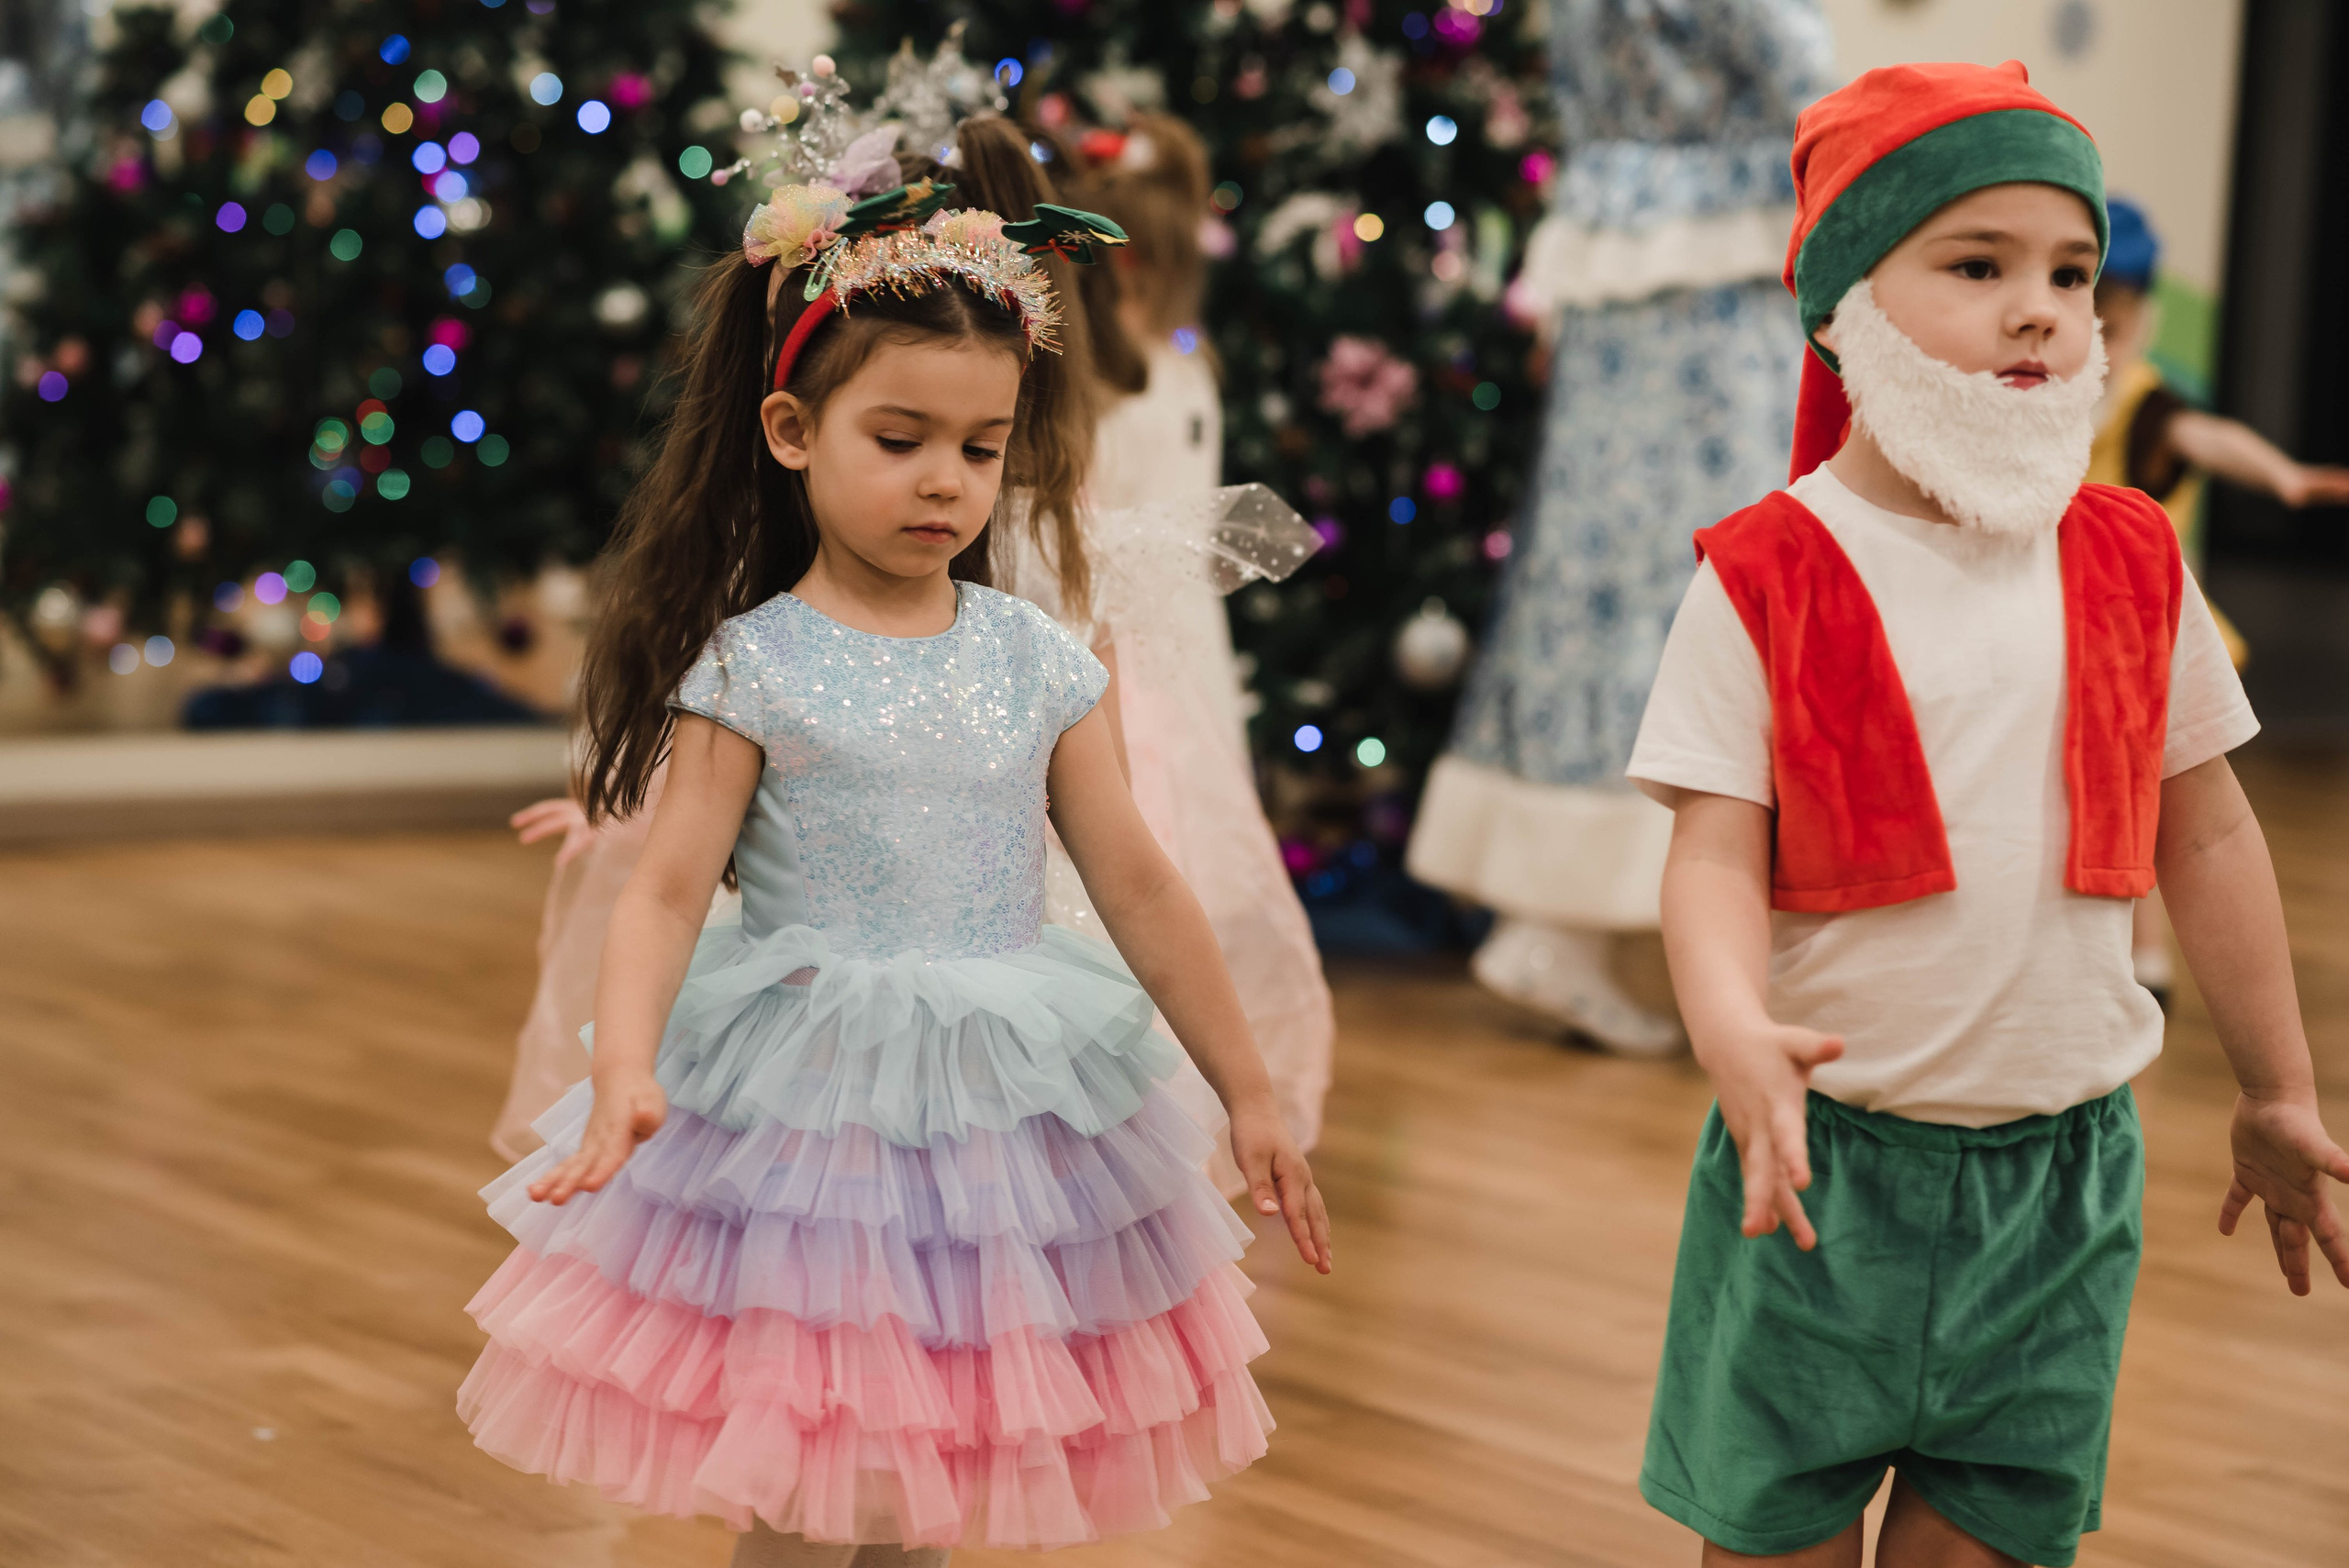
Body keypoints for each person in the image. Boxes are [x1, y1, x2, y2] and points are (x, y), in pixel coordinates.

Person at [456, 186, 1332, 1563]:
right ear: (792, 431)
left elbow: (1142, 887)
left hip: (998, 1121)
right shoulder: (754, 664)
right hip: (811, 1121)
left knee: (934, 1470)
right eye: (900, 438)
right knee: (810, 1480)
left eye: (981, 449)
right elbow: (666, 893)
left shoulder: (1039, 658)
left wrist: (1251, 1088)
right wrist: (625, 1066)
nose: (945, 482)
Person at [1625, 61, 2349, 1567]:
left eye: (2071, 275)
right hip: (1819, 1177)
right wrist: (1732, 1029)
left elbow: (2209, 831)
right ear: (1846, 306)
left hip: (2063, 1187)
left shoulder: (2133, 557)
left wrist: (2278, 1086)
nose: (2041, 311)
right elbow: (1712, 853)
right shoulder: (1764, 571)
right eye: (1979, 266)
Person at [1406, 0, 1833, 1057]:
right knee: (1730, 569)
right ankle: (1711, 941)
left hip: (1614, 249)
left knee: (1599, 573)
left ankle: (1560, 922)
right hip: (1721, 276)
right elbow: (1801, 80)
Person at [2088, 197, 2349, 1003]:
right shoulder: (2042, 393)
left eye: (2113, 326)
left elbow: (2208, 438)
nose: (2097, 343)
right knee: (2106, 797)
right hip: (2068, 630)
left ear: (2141, 321)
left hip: (2138, 634)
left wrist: (2282, 475)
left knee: (2156, 800)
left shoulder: (2146, 406)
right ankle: (2123, 954)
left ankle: (2150, 960)